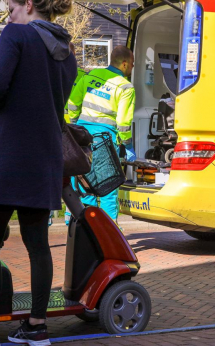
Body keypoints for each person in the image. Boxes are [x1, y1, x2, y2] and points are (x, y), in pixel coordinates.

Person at [0, 0, 78, 346]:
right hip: (45, 157)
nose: (8, 15)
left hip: (6, 154)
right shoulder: (67, 53)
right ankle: (37, 327)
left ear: (28, 4)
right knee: (38, 244)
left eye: (11, 6)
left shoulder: (17, 35)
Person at [66, 46, 136, 223]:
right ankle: (111, 236)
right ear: (125, 63)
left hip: (82, 139)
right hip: (105, 141)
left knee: (84, 186)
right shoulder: (125, 87)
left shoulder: (90, 76)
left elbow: (73, 103)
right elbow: (123, 123)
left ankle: (84, 230)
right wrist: (128, 145)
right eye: (133, 64)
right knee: (108, 187)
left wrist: (75, 125)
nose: (133, 68)